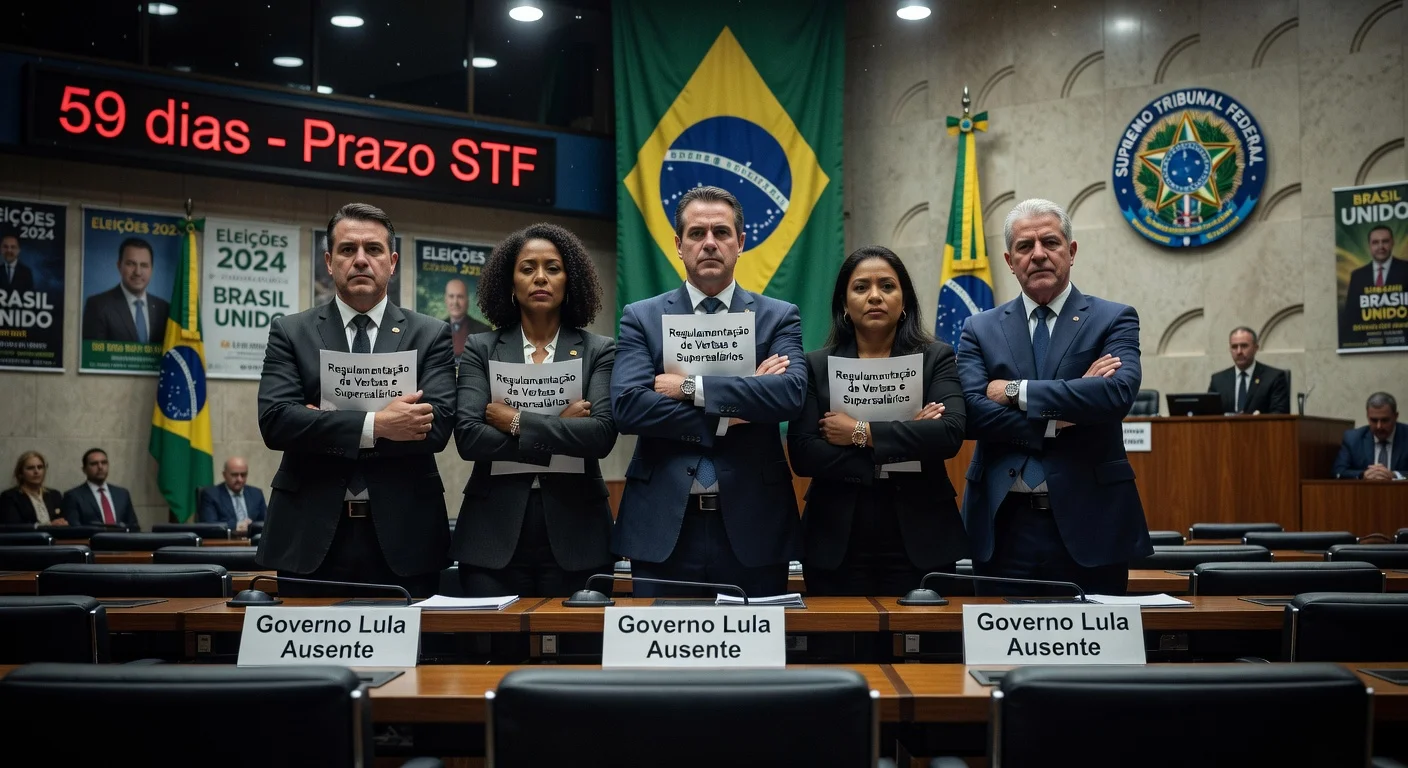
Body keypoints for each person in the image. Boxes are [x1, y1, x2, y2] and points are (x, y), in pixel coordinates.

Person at [611, 185, 807, 598]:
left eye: (721, 232)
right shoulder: (641, 317)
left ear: (741, 242)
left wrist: (689, 387)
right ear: (679, 246)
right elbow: (629, 407)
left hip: (756, 526)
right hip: (662, 526)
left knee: (755, 642)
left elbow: (789, 395)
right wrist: (737, 406)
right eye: (697, 234)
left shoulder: (778, 317)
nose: (710, 243)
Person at [256, 203, 456, 597]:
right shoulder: (291, 332)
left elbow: (436, 429)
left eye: (373, 249)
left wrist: (319, 423)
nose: (361, 259)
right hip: (308, 535)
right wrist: (378, 425)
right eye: (348, 249)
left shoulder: (430, 334)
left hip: (407, 537)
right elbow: (277, 422)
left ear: (392, 262)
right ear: (329, 262)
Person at [957, 198, 1151, 596]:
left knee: (1094, 636)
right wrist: (1061, 414)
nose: (1039, 254)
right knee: (999, 638)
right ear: (1010, 261)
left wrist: (1015, 391)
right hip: (1002, 526)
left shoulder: (1113, 318)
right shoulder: (979, 328)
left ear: (1071, 251)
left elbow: (1115, 395)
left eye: (1050, 242)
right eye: (1025, 246)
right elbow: (971, 413)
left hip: (1093, 522)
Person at [788, 246, 968, 596]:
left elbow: (948, 434)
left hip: (923, 534)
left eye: (887, 286)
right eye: (861, 287)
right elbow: (804, 453)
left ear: (905, 301)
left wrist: (858, 432)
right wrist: (912, 435)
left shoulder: (936, 358)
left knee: (925, 632)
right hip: (835, 537)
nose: (874, 296)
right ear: (844, 304)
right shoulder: (815, 366)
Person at [451, 223, 617, 597]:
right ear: (510, 283)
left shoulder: (599, 350)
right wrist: (561, 428)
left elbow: (601, 435)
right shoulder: (481, 348)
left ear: (569, 282)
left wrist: (515, 421)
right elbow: (469, 438)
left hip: (580, 534)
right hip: (491, 534)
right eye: (527, 268)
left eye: (552, 268)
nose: (540, 277)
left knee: (576, 637)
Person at [80, 237, 170, 343]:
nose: (138, 272)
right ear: (119, 266)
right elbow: (92, 352)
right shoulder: (98, 306)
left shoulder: (164, 309)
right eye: (131, 264)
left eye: (144, 265)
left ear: (151, 269)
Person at [1341, 225, 1408, 338]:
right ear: (1370, 246)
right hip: (1367, 340)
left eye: (1385, 241)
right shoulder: (1357, 276)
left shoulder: (1406, 269)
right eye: (1375, 242)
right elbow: (1351, 316)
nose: (1380, 246)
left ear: (1392, 243)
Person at [1207, 326, 1290, 414]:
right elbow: (1209, 414)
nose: (1239, 351)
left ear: (1255, 348)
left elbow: (1279, 414)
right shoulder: (1218, 380)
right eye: (1234, 347)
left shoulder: (1273, 378)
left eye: (1244, 346)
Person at [1333, 392, 1408, 480]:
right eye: (1374, 420)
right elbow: (1338, 472)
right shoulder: (1353, 439)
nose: (1379, 426)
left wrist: (1395, 475)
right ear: (1367, 416)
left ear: (1396, 416)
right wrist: (1363, 475)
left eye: (1385, 420)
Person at [60, 448, 139, 530]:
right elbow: (74, 529)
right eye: (94, 464)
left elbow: (134, 526)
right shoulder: (73, 496)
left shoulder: (122, 494)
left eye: (104, 463)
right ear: (84, 469)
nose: (100, 467)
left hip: (122, 538)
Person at [197, 457, 267, 533]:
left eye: (243, 475)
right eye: (235, 475)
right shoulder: (211, 495)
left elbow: (266, 522)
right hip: (225, 539)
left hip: (254, 539)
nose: (240, 479)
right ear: (224, 475)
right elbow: (209, 525)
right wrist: (235, 526)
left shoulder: (256, 494)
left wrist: (251, 526)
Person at [0, 450, 64, 526]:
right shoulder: (10, 497)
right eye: (30, 468)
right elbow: (13, 526)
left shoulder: (54, 495)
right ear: (20, 473)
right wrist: (50, 525)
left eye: (40, 467)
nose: (36, 471)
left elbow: (62, 520)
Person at [445, 277, 491, 356]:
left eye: (460, 296)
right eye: (451, 296)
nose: (455, 302)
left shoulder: (484, 331)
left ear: (467, 300)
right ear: (446, 299)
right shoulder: (437, 330)